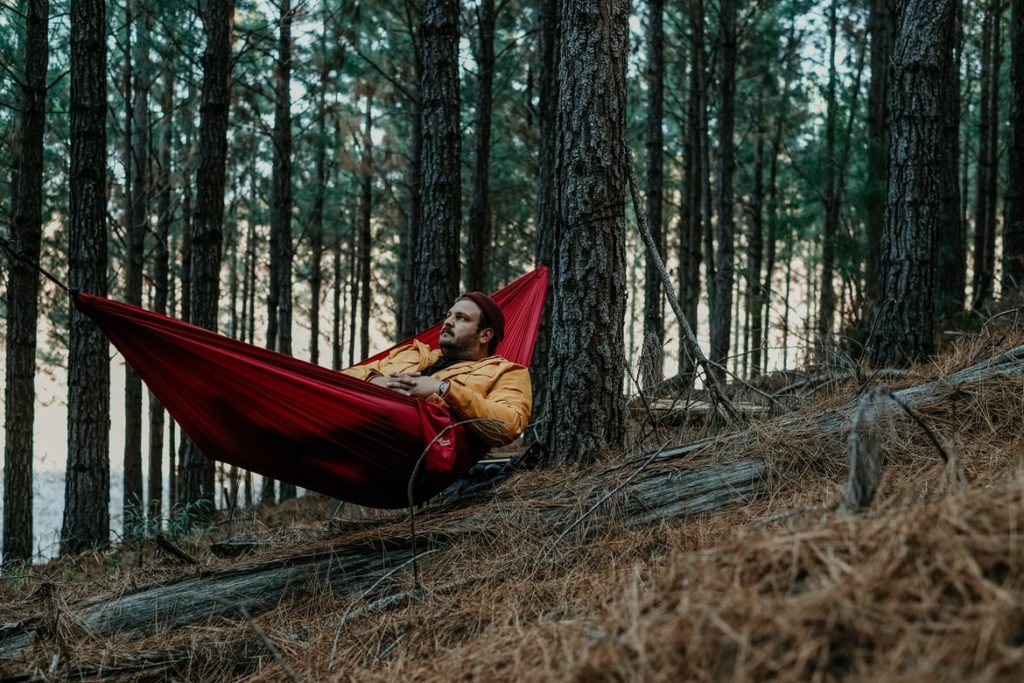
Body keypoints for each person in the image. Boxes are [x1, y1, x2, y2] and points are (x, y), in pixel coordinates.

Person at [341, 292, 532, 447]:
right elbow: (337, 379)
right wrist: (374, 382)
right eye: (449, 315)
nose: (448, 322)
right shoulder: (412, 353)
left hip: (415, 450)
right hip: (356, 428)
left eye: (461, 318)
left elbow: (508, 425)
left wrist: (443, 389)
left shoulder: (506, 372)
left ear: (485, 335)